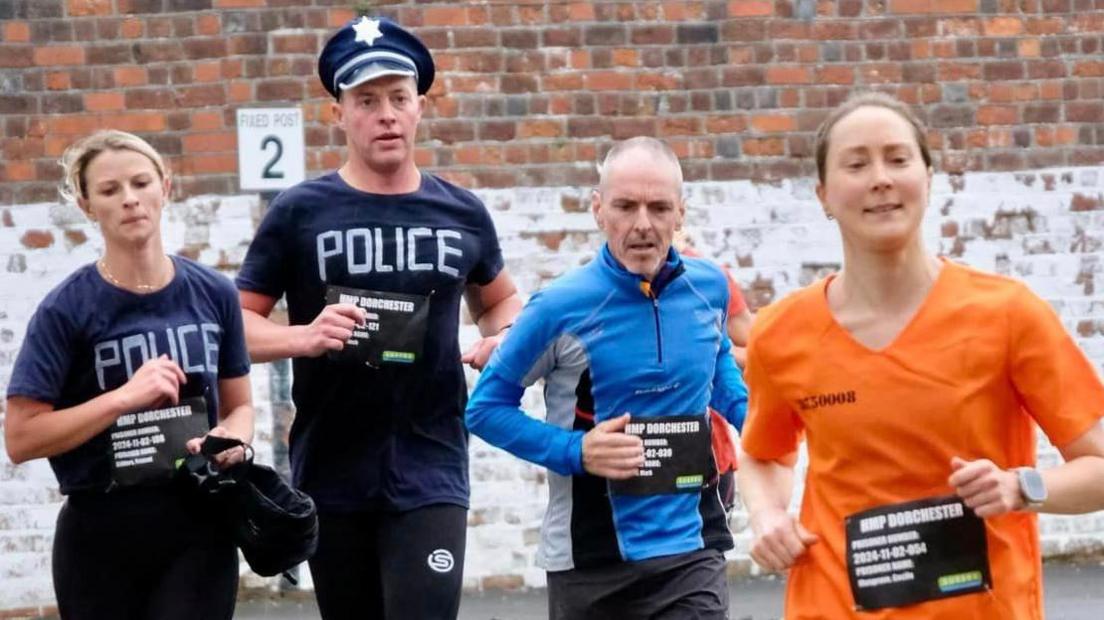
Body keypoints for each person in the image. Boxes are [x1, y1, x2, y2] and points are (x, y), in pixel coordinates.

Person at [738, 92, 1104, 619]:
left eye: (897, 158)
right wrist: (767, 513)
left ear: (928, 179)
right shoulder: (781, 332)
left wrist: (1020, 486)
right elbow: (765, 452)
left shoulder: (1007, 314)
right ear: (823, 194)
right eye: (856, 164)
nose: (880, 178)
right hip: (834, 605)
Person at [234, 16, 521, 620]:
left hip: (432, 461)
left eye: (398, 98)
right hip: (332, 464)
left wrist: (506, 338)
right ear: (338, 113)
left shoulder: (461, 211)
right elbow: (235, 327)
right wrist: (303, 337)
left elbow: (498, 301)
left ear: (420, 107)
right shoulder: (299, 211)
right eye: (366, 100)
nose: (385, 114)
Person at [466, 137, 748, 620]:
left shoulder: (710, 288)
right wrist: (576, 451)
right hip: (589, 561)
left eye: (659, 208)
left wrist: (769, 438)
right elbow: (486, 410)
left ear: (680, 213)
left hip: (691, 551)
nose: (643, 224)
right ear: (599, 210)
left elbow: (729, 391)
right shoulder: (558, 307)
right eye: (625, 206)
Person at [4, 130, 254, 620]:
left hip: (198, 523)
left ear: (166, 186)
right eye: (109, 190)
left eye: (141, 183)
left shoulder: (213, 293)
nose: (129, 200)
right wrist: (123, 398)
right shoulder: (66, 309)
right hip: (101, 533)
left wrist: (234, 439)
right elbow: (21, 437)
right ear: (85, 204)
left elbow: (241, 404)